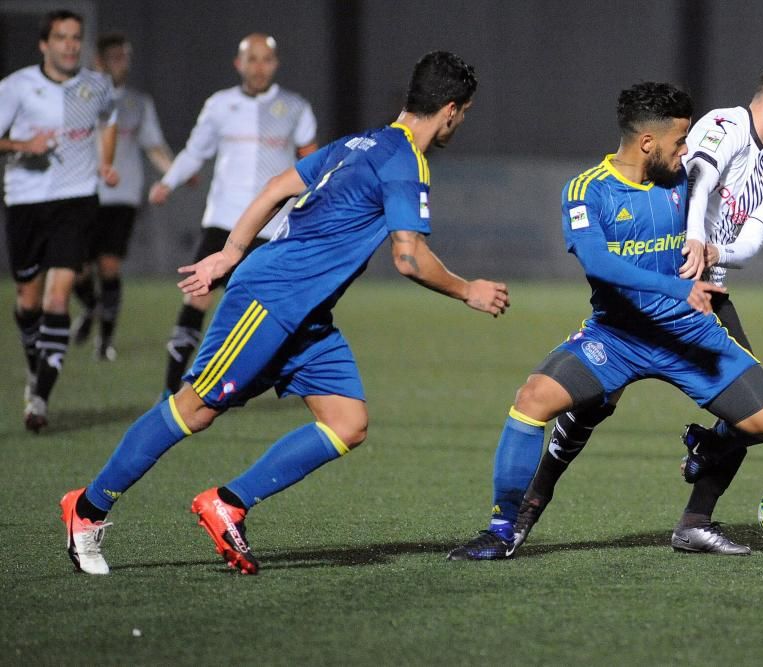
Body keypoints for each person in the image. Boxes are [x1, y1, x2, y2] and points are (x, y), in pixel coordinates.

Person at [59, 50, 510, 576]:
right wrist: (467, 290)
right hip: (269, 298)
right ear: (452, 109)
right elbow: (408, 257)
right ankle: (86, 510)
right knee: (193, 410)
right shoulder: (405, 161)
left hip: (307, 315)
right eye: (465, 113)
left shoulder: (357, 143)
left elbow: (277, 187)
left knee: (347, 422)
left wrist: (231, 250)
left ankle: (228, 504)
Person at [448, 81, 763, 562]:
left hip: (687, 333)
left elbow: (728, 184)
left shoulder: (683, 183)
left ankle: (705, 447)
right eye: (679, 141)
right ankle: (504, 527)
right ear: (647, 143)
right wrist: (678, 286)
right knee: (532, 400)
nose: (687, 150)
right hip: (617, 337)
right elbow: (598, 264)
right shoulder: (588, 189)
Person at [513, 56, 763, 555]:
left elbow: (749, 241)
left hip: (707, 299)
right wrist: (694, 242)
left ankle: (696, 517)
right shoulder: (721, 125)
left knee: (760, 418)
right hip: (657, 293)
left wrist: (714, 253)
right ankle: (525, 509)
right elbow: (696, 181)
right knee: (587, 409)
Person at [148, 33, 317, 399]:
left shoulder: (295, 107)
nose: (259, 67)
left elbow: (310, 161)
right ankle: (169, 389)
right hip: (223, 220)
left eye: (266, 60)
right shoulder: (219, 105)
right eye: (251, 59)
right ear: (238, 64)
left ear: (276, 64)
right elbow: (195, 152)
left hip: (273, 226)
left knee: (269, 309)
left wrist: (318, 200)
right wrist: (169, 181)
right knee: (197, 297)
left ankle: (279, 383)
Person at [0, 9, 118, 432]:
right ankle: (36, 367)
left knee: (57, 298)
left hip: (76, 199)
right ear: (44, 44)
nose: (70, 45)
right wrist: (22, 144)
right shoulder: (16, 87)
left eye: (75, 37)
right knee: (28, 301)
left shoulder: (97, 86)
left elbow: (109, 122)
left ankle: (40, 398)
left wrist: (105, 163)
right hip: (26, 202)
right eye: (61, 37)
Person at [70, 33, 174, 360]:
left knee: (110, 266)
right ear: (98, 61)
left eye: (124, 56)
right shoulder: (78, 99)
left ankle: (105, 343)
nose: (122, 63)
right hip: (82, 193)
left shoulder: (137, 103)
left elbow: (153, 145)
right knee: (75, 269)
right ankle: (91, 307)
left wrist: (175, 173)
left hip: (122, 196)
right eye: (115, 57)